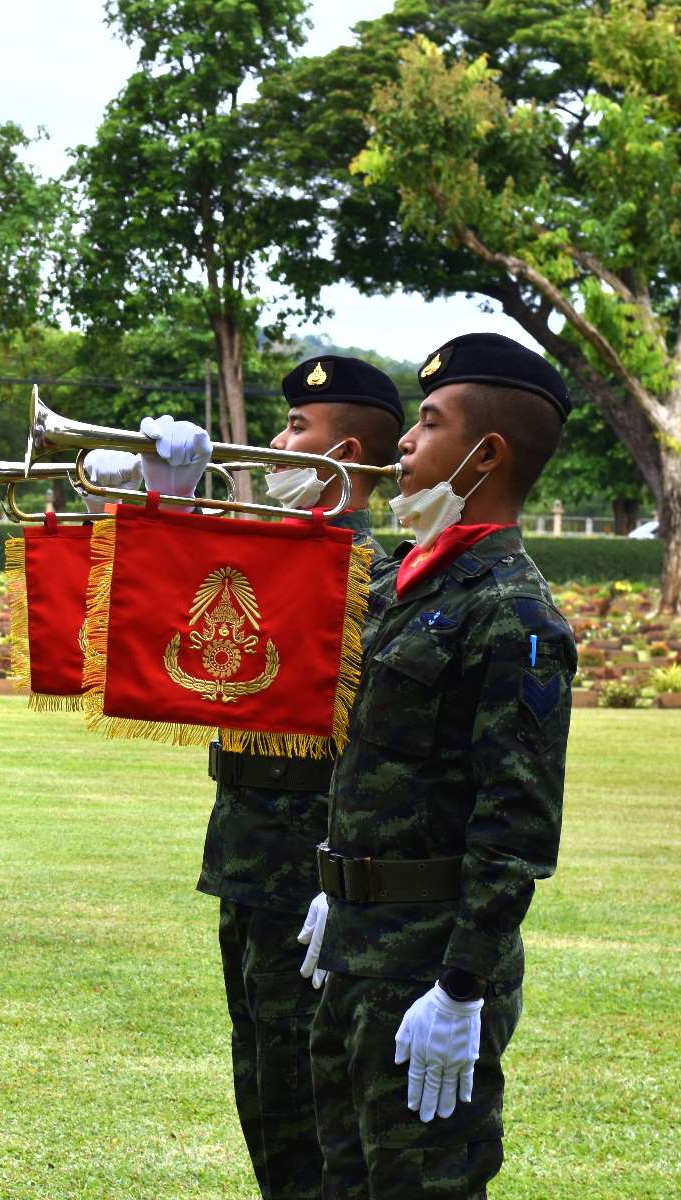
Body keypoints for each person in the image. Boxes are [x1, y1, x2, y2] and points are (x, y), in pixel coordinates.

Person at [299, 332, 578, 1199]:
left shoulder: (515, 614)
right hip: (356, 946)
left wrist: (462, 989)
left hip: (427, 969)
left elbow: (516, 824)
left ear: (485, 453)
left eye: (427, 423)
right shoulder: (409, 586)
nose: (406, 447)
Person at [200, 358, 403, 1200]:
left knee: (311, 1108)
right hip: (244, 866)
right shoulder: (262, 552)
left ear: (341, 452)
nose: (275, 444)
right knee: (261, 1091)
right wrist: (148, 497)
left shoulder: (384, 576)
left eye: (295, 431)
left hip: (314, 875)